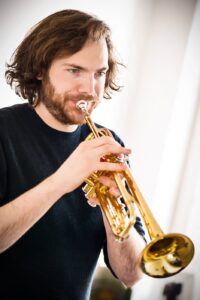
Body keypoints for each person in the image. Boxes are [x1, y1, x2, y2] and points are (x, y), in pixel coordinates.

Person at [0, 9, 145, 300]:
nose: (90, 90)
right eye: (74, 70)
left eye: (99, 74)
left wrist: (112, 206)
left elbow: (132, 275)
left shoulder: (107, 142)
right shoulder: (4, 130)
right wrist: (62, 181)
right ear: (40, 69)